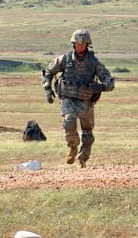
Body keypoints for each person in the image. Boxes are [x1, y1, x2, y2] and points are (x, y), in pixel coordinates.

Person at [43, 29, 114, 167]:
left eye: (82, 44)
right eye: (77, 44)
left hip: (86, 101)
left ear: (87, 45)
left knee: (87, 132)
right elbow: (48, 72)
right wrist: (47, 89)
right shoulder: (65, 59)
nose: (79, 46)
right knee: (69, 122)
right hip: (68, 98)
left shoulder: (94, 63)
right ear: (73, 44)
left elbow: (109, 81)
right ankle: (73, 147)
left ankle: (83, 158)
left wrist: (100, 87)